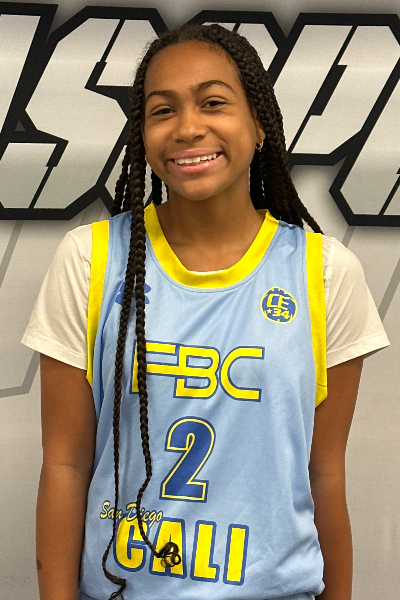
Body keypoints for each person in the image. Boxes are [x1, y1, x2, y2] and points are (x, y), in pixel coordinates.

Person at [22, 23, 390, 600]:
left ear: (260, 123)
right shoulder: (91, 260)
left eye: (213, 102)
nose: (188, 127)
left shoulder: (324, 273)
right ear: (143, 135)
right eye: (162, 110)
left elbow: (324, 475)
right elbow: (65, 466)